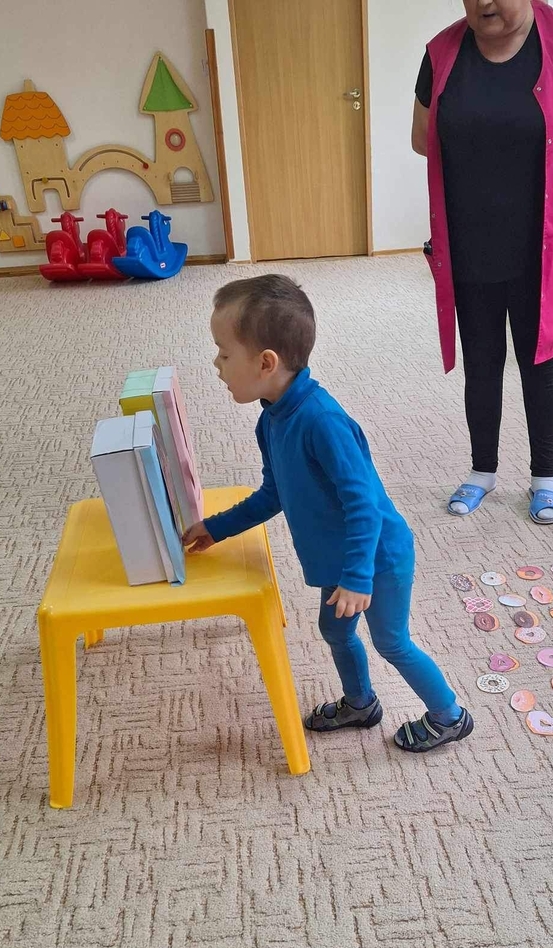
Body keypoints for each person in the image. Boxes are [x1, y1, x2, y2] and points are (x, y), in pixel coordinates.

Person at [182, 275, 474, 754]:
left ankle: (450, 716)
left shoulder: (322, 422)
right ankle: (360, 704)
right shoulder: (271, 418)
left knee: (392, 642)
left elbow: (364, 507)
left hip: (376, 558)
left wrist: (358, 577)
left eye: (224, 353)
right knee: (334, 630)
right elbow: (273, 494)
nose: (217, 364)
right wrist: (217, 528)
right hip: (341, 562)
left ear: (266, 362)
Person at [411, 0, 553, 523]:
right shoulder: (442, 51)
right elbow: (422, 138)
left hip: (539, 243)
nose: (485, 3)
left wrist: (534, 164)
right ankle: (482, 471)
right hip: (468, 240)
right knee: (481, 362)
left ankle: (545, 478)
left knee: (540, 360)